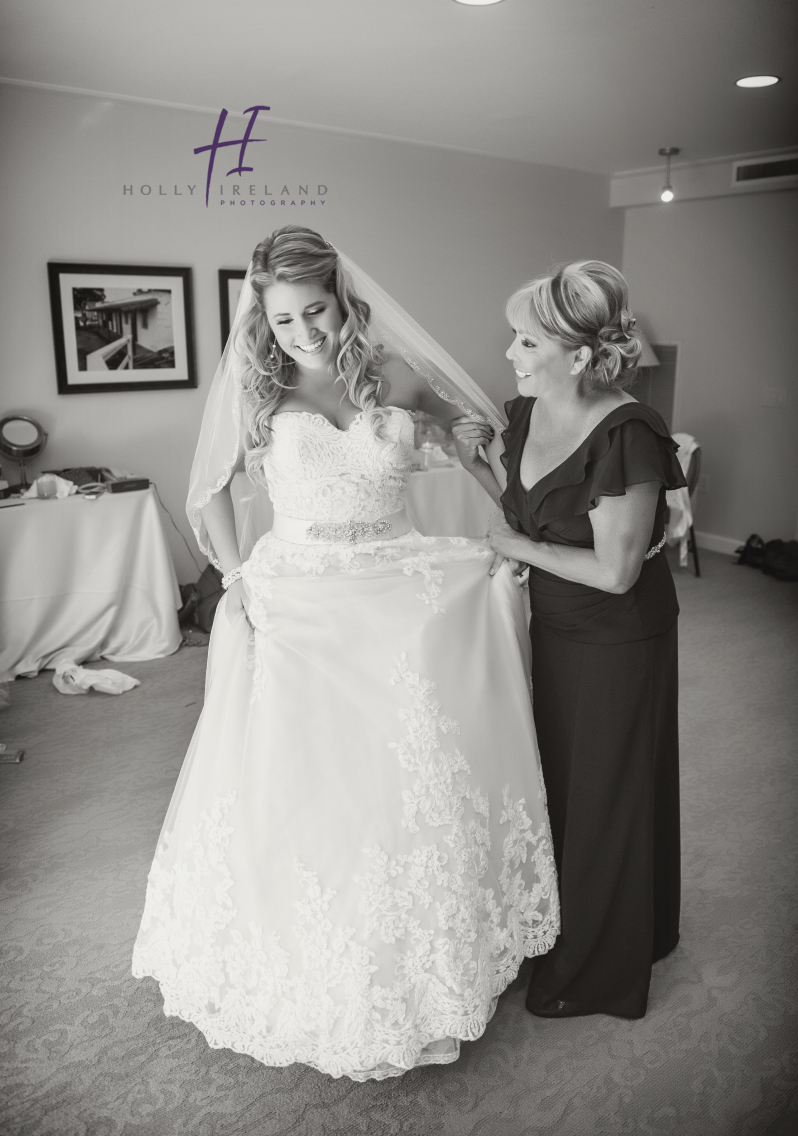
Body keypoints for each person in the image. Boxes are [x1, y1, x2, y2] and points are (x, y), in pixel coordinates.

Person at [132, 226, 559, 1081]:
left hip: (401, 582)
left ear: (343, 298)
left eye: (315, 312)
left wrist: (505, 516)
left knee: (414, 774)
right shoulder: (261, 386)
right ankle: (323, 969)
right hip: (300, 596)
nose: (302, 334)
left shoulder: (393, 377)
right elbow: (208, 486)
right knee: (313, 782)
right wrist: (237, 573)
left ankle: (428, 968)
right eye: (282, 320)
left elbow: (468, 435)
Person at [454, 260, 686, 1020]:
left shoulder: (630, 433)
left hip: (619, 638)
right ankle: (574, 923)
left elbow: (618, 571)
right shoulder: (526, 413)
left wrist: (514, 551)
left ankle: (599, 965)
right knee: (563, 785)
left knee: (607, 794)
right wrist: (477, 462)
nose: (511, 357)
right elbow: (529, 518)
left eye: (525, 342)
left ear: (580, 356)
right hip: (551, 627)